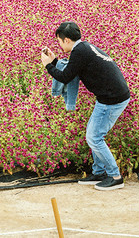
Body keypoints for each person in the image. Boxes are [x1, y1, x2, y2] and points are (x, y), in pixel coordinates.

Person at [42, 21, 130, 191]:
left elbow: (65, 77)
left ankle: (115, 176)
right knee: (94, 134)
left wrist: (47, 65)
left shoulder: (79, 53)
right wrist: (54, 62)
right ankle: (99, 173)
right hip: (109, 96)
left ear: (66, 40)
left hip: (112, 99)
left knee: (94, 137)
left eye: (59, 41)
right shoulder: (83, 48)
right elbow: (71, 70)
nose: (59, 45)